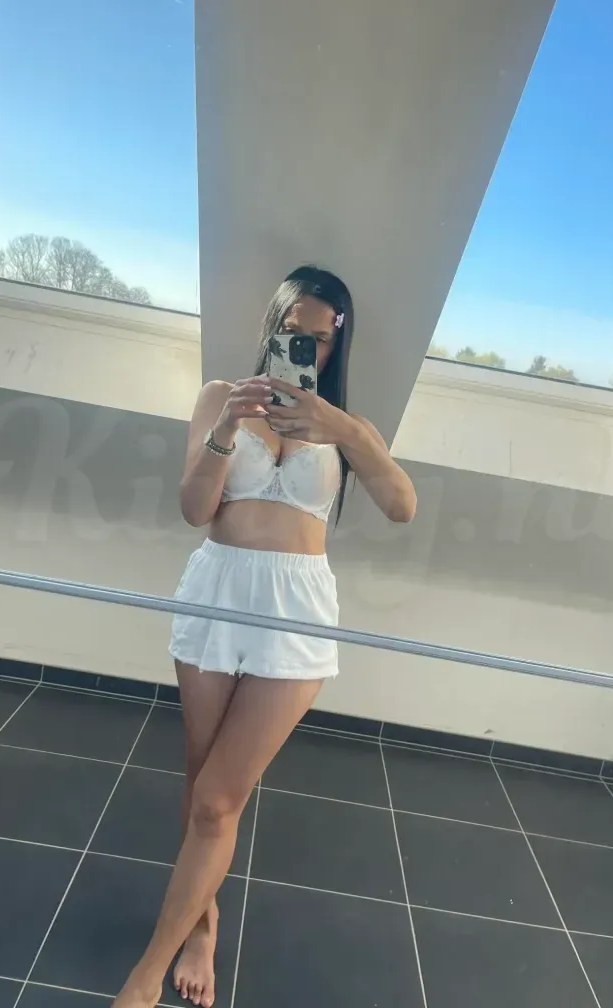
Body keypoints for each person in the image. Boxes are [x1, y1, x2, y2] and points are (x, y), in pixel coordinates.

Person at [112, 265, 417, 1008]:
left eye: (319, 338)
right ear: (272, 327)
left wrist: (346, 431)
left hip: (297, 609)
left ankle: (145, 975)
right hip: (218, 590)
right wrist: (225, 431)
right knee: (202, 783)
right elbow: (194, 509)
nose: (304, 346)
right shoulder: (221, 397)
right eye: (292, 331)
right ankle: (202, 925)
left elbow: (402, 506)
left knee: (222, 795)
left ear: (337, 346)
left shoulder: (346, 426)